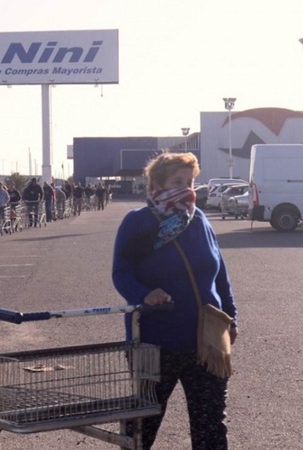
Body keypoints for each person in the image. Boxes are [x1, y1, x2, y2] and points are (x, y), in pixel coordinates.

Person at [112, 151, 238, 450]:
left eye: (191, 181)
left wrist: (231, 316)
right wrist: (144, 294)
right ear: (157, 183)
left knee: (210, 424)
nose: (188, 188)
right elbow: (121, 272)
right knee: (143, 424)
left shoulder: (200, 220)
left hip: (206, 342)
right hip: (155, 341)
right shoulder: (138, 222)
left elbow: (219, 273)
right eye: (178, 181)